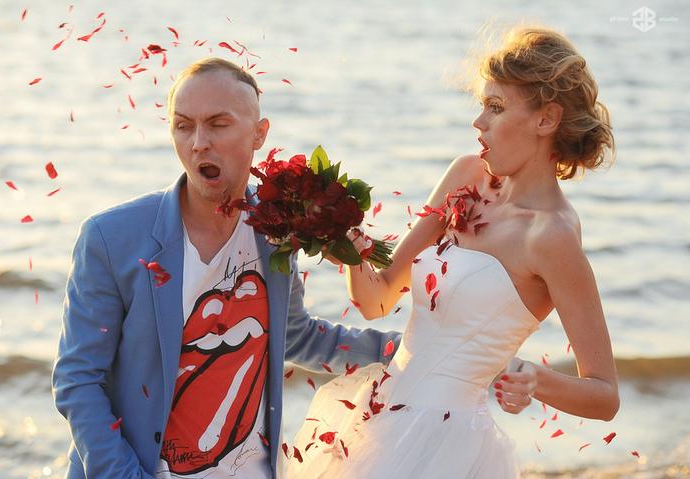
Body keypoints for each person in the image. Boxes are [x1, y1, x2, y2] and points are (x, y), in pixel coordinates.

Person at [288, 26, 619, 478]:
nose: (478, 122)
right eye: (482, 105)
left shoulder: (552, 236)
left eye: (496, 107)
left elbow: (604, 396)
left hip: (449, 447)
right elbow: (377, 300)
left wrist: (534, 378)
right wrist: (346, 243)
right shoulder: (466, 176)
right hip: (378, 422)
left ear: (546, 120)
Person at [51, 58, 402, 479]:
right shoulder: (111, 238)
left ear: (259, 134)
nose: (199, 142)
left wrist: (413, 349)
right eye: (183, 126)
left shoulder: (277, 229)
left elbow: (294, 336)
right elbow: (77, 379)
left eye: (218, 124)